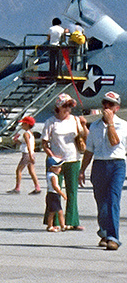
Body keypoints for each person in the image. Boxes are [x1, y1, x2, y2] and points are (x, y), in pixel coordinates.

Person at [82, 91, 124, 250]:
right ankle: (105, 232)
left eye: (111, 104)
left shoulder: (122, 125)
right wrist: (82, 170)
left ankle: (114, 237)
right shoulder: (95, 126)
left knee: (113, 200)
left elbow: (114, 142)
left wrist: (110, 123)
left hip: (117, 164)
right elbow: (89, 150)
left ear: (116, 108)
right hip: (99, 164)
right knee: (102, 203)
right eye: (105, 103)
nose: (107, 107)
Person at [39, 95, 85, 230]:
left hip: (73, 159)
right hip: (56, 161)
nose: (68, 109)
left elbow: (85, 136)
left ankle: (72, 221)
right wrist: (51, 156)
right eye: (65, 106)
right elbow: (44, 142)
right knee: (54, 191)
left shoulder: (75, 120)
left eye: (70, 106)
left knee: (72, 191)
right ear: (58, 107)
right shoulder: (51, 122)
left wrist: (83, 125)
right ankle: (53, 222)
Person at [10, 116, 40, 194]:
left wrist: (30, 155)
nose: (22, 125)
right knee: (32, 171)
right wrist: (17, 141)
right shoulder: (31, 133)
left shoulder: (26, 134)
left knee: (18, 170)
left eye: (23, 123)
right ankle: (37, 187)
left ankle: (17, 188)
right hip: (31, 153)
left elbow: (28, 145)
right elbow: (25, 144)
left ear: (27, 124)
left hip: (27, 154)